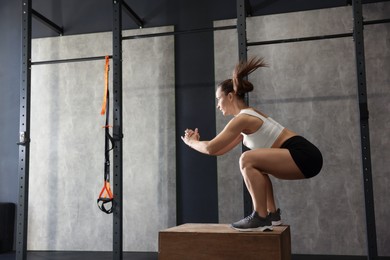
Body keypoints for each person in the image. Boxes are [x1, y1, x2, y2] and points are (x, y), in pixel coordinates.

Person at [181, 57, 323, 232]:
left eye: (219, 99)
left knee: (247, 159)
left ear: (231, 96)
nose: (218, 105)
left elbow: (211, 148)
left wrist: (190, 142)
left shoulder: (243, 118)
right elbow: (219, 150)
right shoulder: (245, 120)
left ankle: (259, 216)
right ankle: (272, 215)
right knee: (255, 165)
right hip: (307, 157)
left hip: (304, 155)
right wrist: (196, 141)